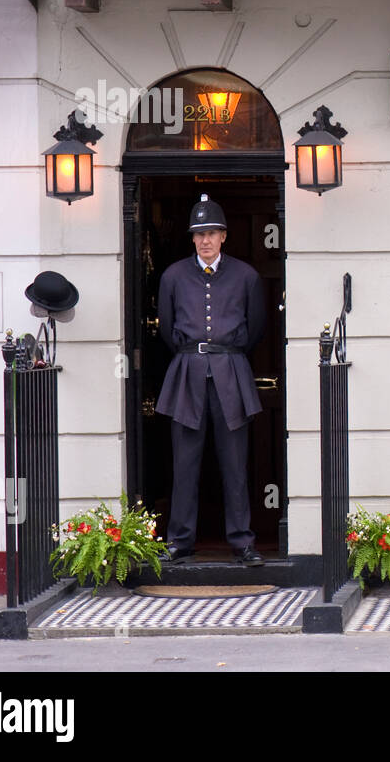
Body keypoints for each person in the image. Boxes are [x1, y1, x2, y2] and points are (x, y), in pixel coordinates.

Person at [155, 194, 267, 566]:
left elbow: (255, 330)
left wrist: (225, 355)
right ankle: (179, 540)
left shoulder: (246, 276)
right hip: (187, 371)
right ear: (192, 238)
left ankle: (242, 541)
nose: (205, 240)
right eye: (199, 233)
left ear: (224, 236)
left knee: (234, 464)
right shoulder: (172, 276)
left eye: (212, 233)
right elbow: (168, 331)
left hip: (231, 371)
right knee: (184, 463)